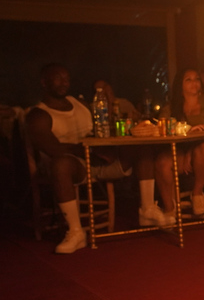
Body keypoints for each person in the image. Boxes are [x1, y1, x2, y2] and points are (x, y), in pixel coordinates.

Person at [26, 63, 172, 254]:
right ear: (44, 82)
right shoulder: (39, 114)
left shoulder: (80, 104)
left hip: (101, 158)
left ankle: (147, 209)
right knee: (60, 165)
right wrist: (89, 151)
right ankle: (76, 232)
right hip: (73, 166)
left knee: (143, 145)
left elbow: (102, 128)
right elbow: (53, 149)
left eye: (67, 78)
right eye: (58, 78)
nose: (64, 82)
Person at [156, 68, 204, 217]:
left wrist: (190, 151)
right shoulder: (172, 107)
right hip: (179, 152)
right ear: (180, 85)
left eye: (196, 79)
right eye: (188, 79)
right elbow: (162, 126)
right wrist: (186, 134)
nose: (194, 83)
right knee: (162, 161)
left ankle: (197, 193)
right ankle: (169, 208)